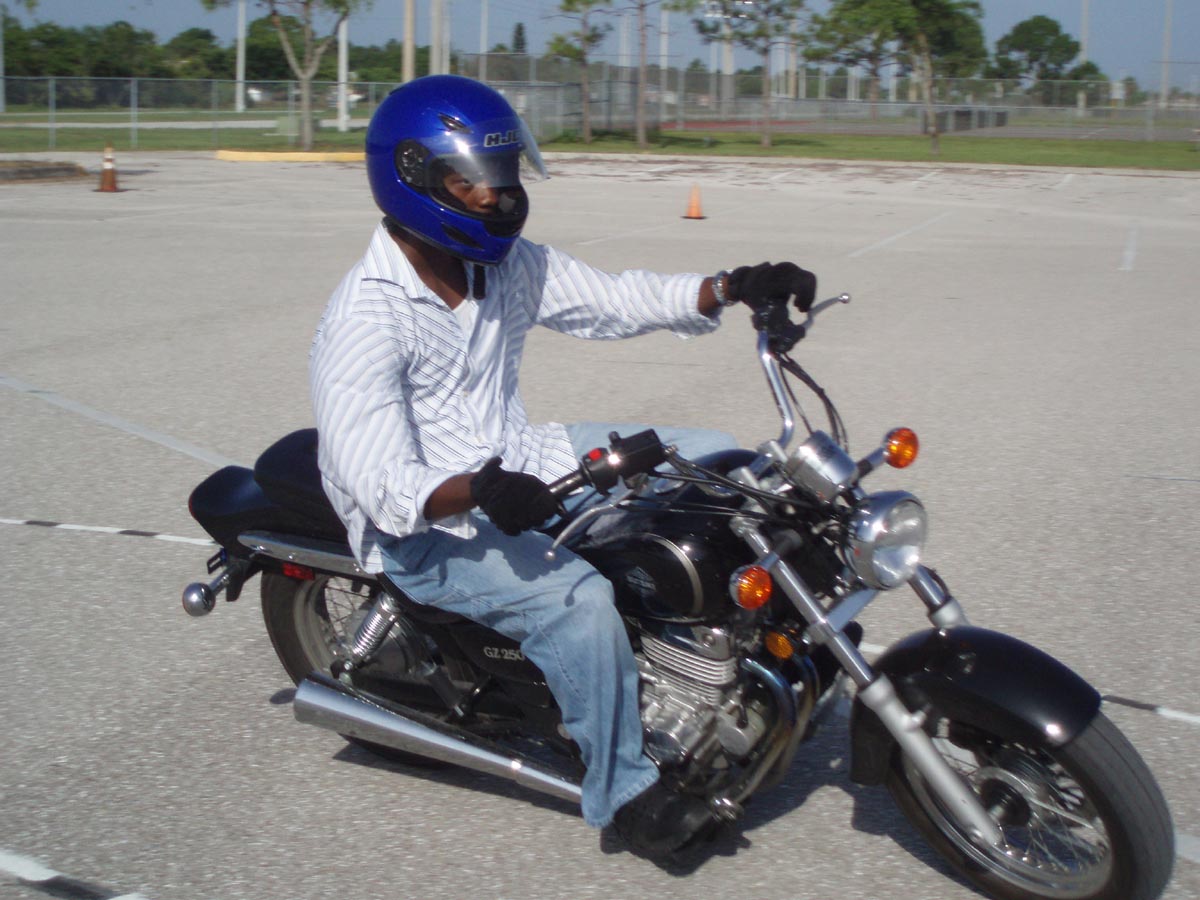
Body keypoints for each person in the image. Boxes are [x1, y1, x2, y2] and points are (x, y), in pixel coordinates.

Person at [309, 74, 816, 857]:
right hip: (426, 524)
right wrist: (477, 489)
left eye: (502, 177)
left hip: (522, 461)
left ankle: (727, 651)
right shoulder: (365, 319)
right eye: (470, 183)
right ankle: (625, 791)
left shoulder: (500, 265)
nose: (495, 197)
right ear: (413, 179)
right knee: (578, 603)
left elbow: (614, 300)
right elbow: (379, 482)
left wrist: (730, 286)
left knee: (717, 460)